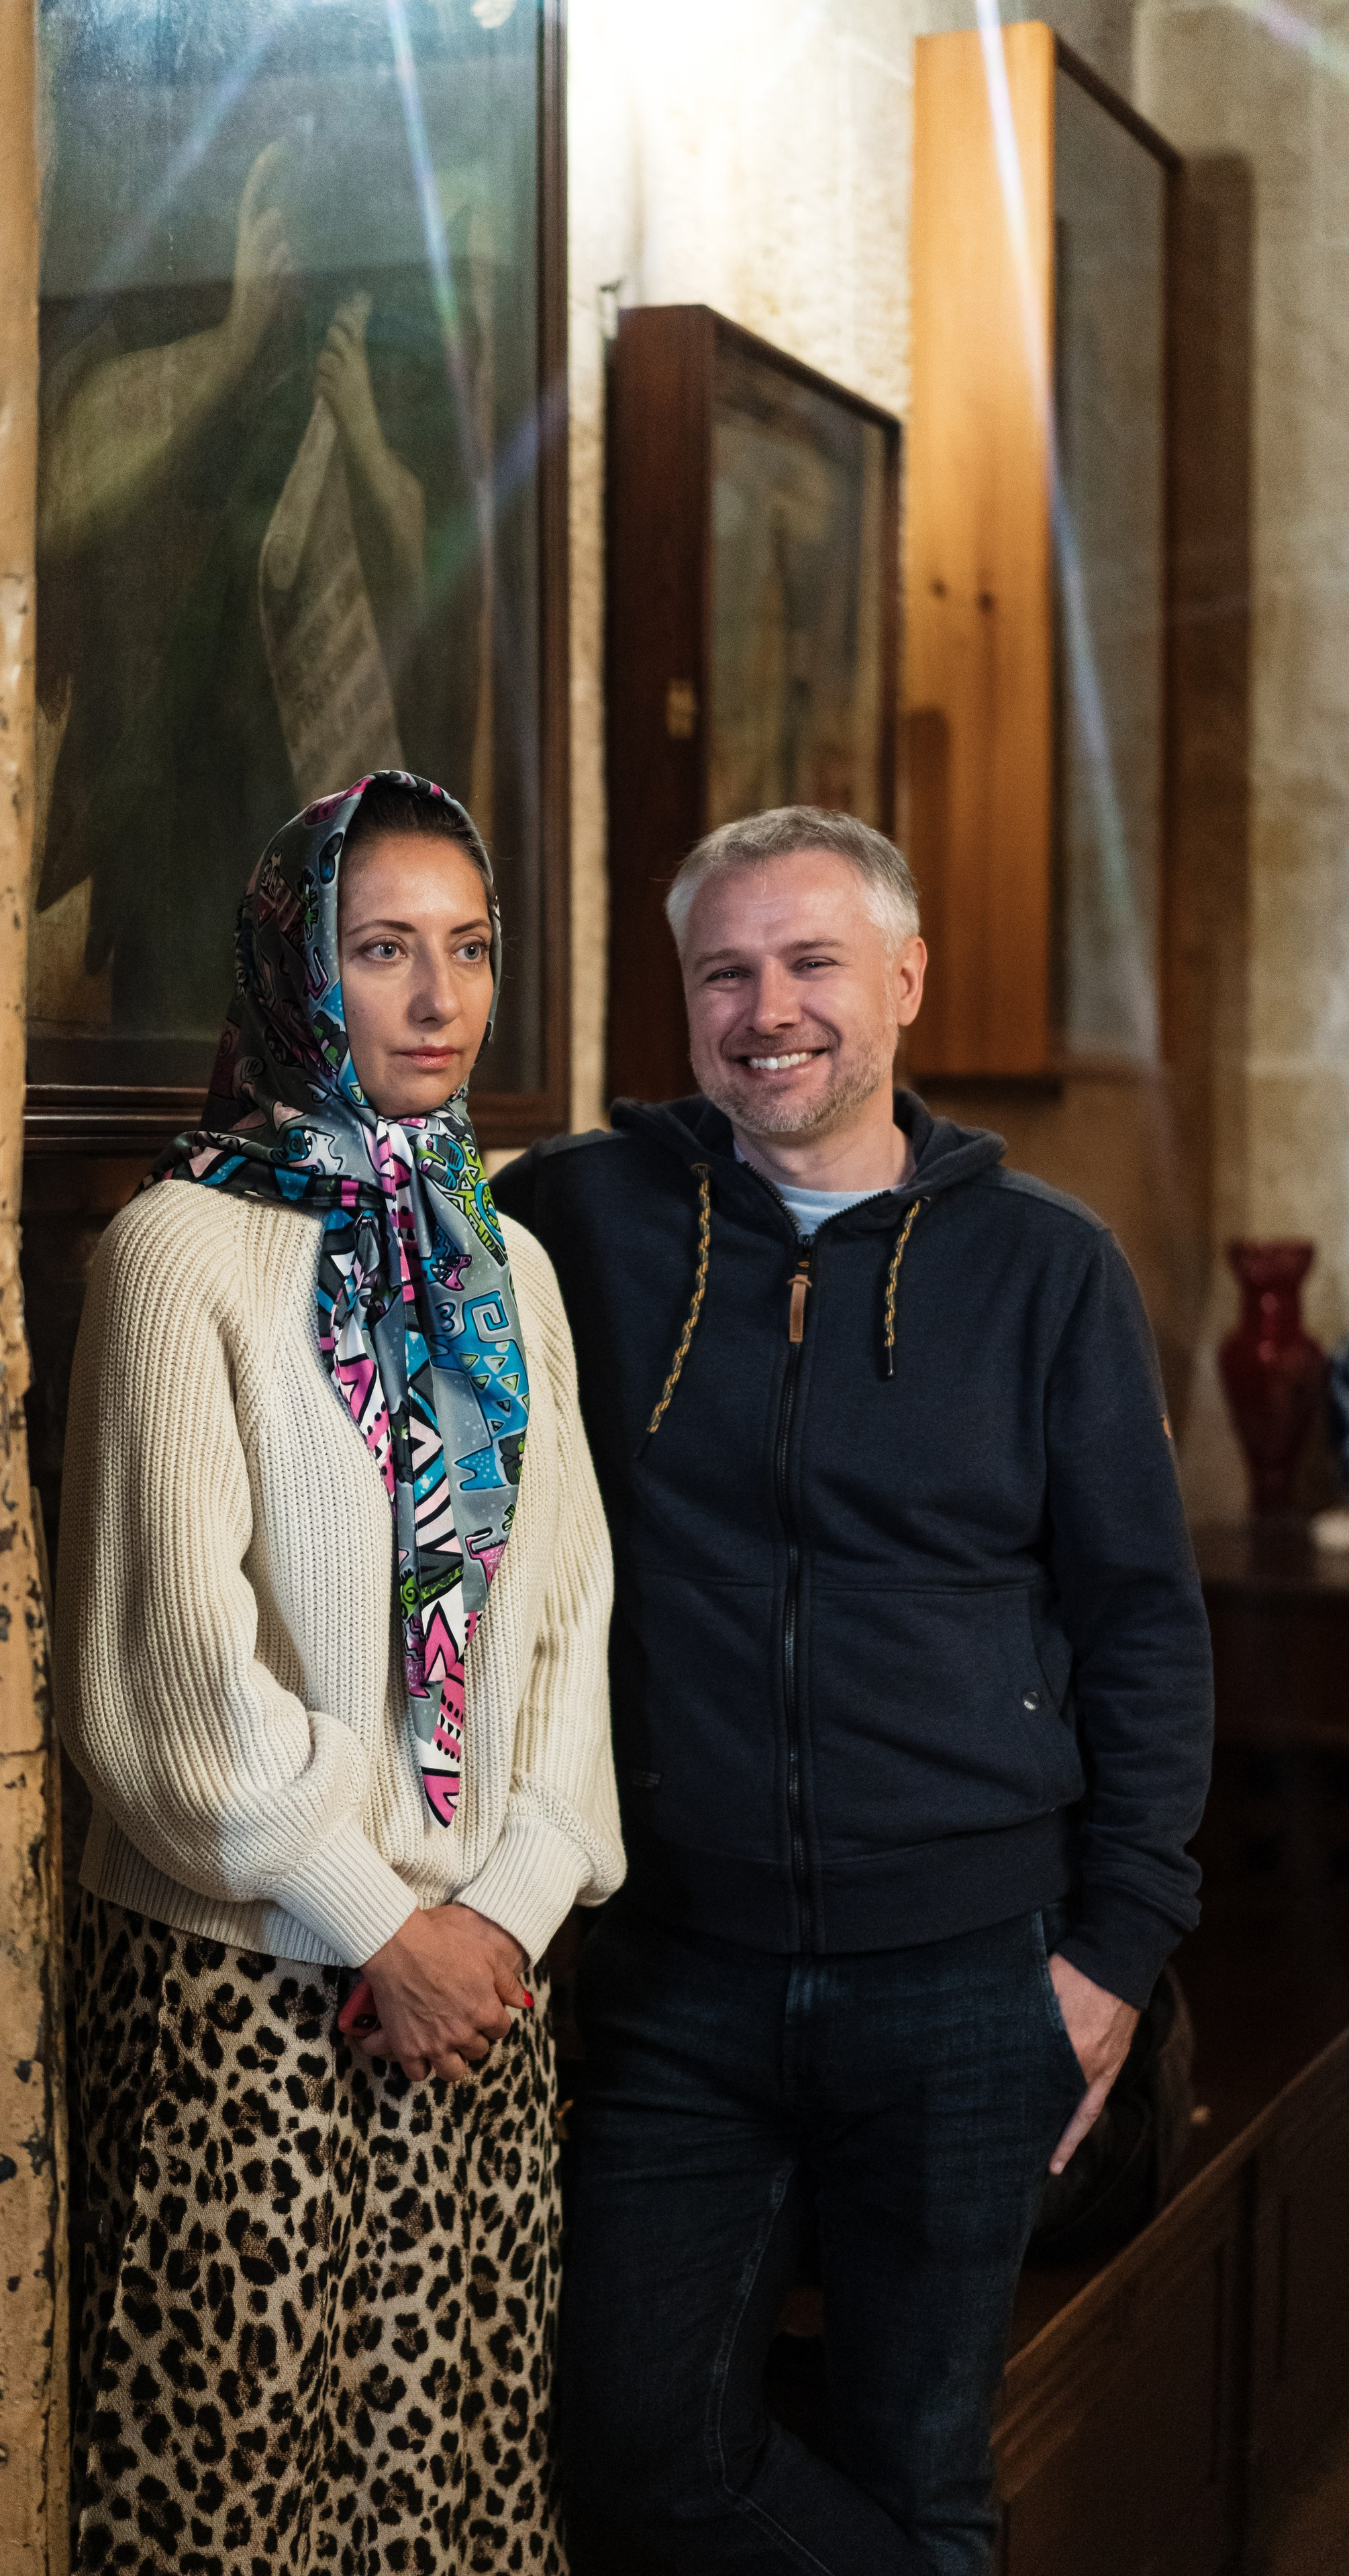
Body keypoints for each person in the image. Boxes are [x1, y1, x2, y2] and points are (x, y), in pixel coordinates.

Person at [493, 805, 1213, 2576]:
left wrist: (1114, 1956)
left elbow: (1143, 1626)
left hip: (974, 1978)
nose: (768, 1007)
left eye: (812, 961)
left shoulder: (1048, 1272)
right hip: (681, 1977)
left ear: (902, 978)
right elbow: (370, 1223)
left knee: (918, 2465)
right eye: (723, 971)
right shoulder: (582, 1215)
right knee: (638, 2449)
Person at [56, 771, 622, 2574]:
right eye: (383, 952)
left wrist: (506, 1916)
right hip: (258, 2009)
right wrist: (381, 1923)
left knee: (455, 2513)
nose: (442, 1001)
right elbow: (170, 1669)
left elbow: (571, 1622)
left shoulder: (507, 1261)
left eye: (467, 951)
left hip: (483, 2018)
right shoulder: (181, 1252)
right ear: (299, 971)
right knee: (229, 2521)